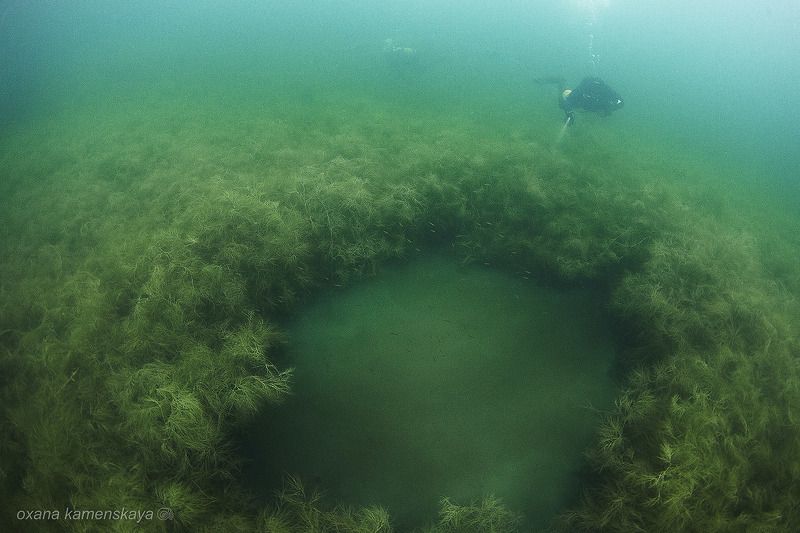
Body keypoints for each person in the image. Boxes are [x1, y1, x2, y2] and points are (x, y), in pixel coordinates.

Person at [558, 77, 624, 126]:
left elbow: (621, 102)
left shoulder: (606, 90)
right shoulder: (583, 88)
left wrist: (608, 109)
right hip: (580, 103)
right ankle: (561, 81)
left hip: (594, 107)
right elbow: (568, 100)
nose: (594, 94)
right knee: (562, 101)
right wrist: (569, 114)